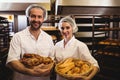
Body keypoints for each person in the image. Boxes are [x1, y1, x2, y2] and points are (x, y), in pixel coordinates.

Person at [6, 4, 54, 80]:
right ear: (28, 17)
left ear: (43, 19)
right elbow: (12, 60)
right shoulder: (18, 37)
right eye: (33, 16)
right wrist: (31, 72)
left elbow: (51, 59)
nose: (36, 19)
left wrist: (48, 70)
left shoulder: (48, 38)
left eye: (39, 17)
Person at [54, 16, 99, 80]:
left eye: (67, 28)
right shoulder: (57, 45)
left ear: (73, 28)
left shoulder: (80, 46)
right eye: (62, 28)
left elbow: (95, 65)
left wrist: (88, 78)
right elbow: (55, 62)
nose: (64, 31)